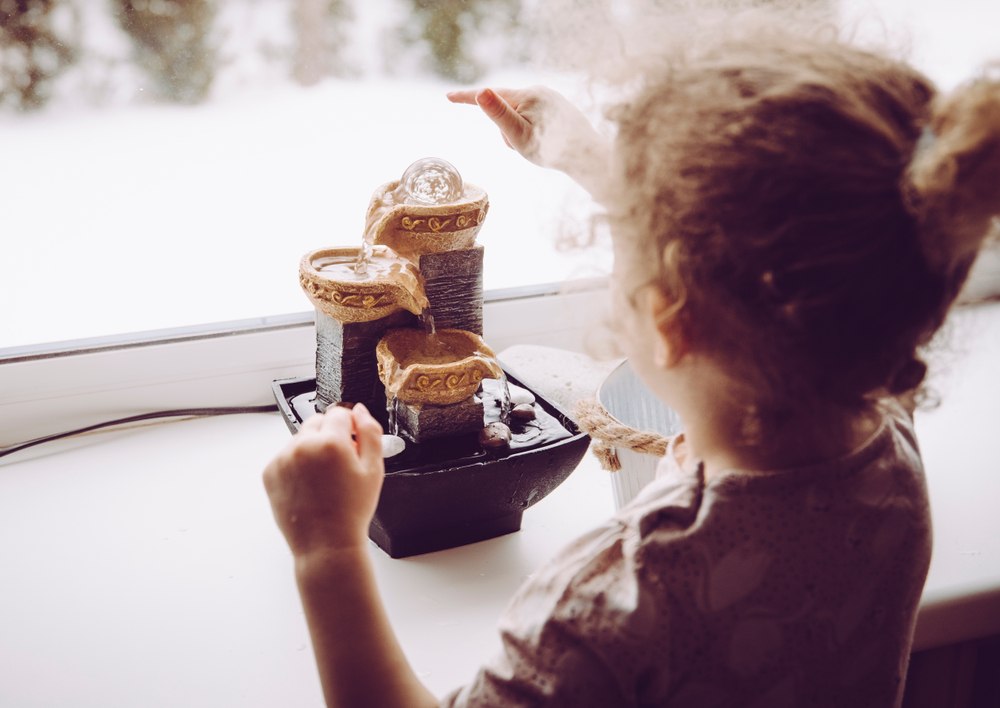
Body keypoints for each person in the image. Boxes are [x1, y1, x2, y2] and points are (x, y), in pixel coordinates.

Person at [263, 23, 1000, 707]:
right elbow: (787, 274)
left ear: (669, 320)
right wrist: (595, 164)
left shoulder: (617, 603)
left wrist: (326, 550)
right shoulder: (887, 453)